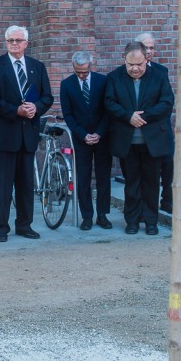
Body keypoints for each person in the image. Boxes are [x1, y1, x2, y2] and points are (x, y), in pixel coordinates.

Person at [0, 25, 54, 241]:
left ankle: (24, 225)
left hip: (28, 136)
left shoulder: (37, 66)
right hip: (4, 135)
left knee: (26, 185)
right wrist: (15, 110)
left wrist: (36, 108)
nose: (14, 44)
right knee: (3, 186)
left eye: (18, 40)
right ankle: (1, 228)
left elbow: (47, 97)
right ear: (5, 42)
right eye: (10, 40)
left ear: (26, 43)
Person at [105, 41, 174, 235]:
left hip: (152, 140)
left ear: (146, 59)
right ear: (124, 60)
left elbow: (167, 102)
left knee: (151, 183)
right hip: (127, 141)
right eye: (130, 64)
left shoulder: (159, 75)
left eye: (139, 64)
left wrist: (144, 117)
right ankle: (132, 222)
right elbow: (109, 103)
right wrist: (128, 116)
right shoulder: (114, 77)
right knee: (131, 184)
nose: (135, 68)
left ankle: (151, 222)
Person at [59, 51, 112, 230]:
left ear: (91, 66)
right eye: (78, 72)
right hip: (81, 138)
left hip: (102, 137)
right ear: (73, 67)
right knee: (83, 177)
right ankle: (87, 216)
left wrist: (99, 133)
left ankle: (103, 215)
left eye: (85, 72)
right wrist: (83, 135)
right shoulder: (67, 84)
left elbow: (108, 110)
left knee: (103, 176)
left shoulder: (103, 81)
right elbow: (68, 114)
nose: (81, 75)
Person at [135, 31, 174, 213]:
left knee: (168, 163)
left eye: (152, 47)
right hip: (138, 128)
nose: (149, 51)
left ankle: (167, 201)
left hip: (159, 126)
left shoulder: (161, 71)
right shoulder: (131, 70)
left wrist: (149, 116)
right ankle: (143, 206)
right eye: (146, 47)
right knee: (144, 171)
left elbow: (167, 101)